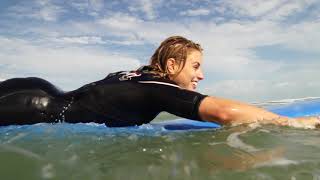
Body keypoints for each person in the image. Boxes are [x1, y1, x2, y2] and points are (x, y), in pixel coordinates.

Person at [0, 36, 319, 128]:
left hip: (38, 88)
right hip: (36, 109)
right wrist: (291, 122)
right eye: (195, 66)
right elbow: (223, 112)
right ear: (171, 65)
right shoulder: (158, 88)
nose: (201, 75)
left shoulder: (136, 76)